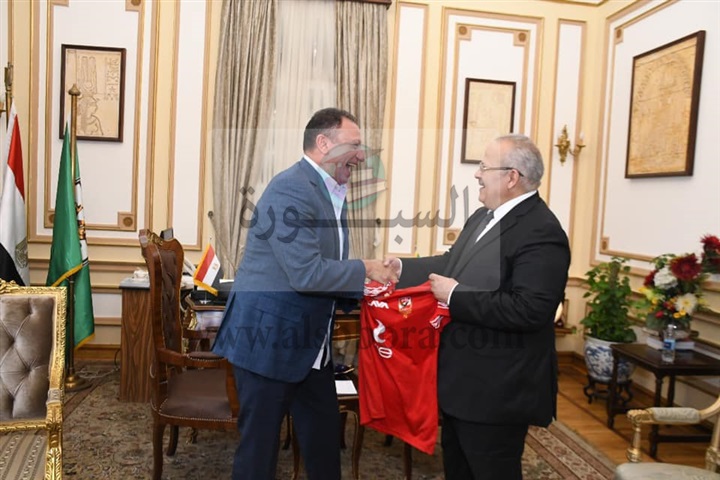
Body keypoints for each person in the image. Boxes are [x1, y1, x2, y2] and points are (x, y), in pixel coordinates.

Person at [212, 108, 399, 479]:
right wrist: (366, 268)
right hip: (267, 346)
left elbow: (325, 268)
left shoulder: (329, 190)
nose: (361, 156)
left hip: (310, 348)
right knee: (258, 456)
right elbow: (307, 273)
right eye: (355, 145)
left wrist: (369, 286)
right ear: (324, 143)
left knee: (324, 448)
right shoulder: (292, 188)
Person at [387, 134, 570, 479]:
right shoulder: (482, 217)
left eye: (484, 167)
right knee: (459, 469)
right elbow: (450, 262)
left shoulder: (541, 230)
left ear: (512, 177)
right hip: (464, 385)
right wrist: (400, 268)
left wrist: (455, 295)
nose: (477, 174)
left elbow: (530, 309)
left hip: (498, 391)